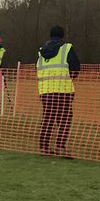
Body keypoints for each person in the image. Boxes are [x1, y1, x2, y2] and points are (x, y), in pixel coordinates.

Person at [36, 25, 80, 157]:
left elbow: (38, 69)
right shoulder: (67, 48)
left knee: (48, 117)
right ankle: (60, 146)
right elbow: (75, 68)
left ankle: (44, 147)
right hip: (63, 90)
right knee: (65, 118)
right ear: (62, 35)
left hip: (45, 90)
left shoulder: (41, 52)